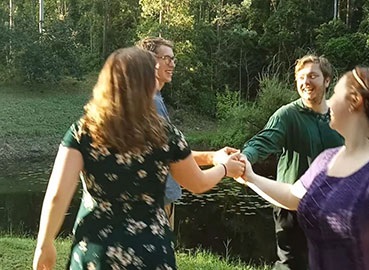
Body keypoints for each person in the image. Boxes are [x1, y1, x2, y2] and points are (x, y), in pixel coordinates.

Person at [32, 47, 245, 270]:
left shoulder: (83, 131)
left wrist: (44, 244)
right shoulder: (166, 134)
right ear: (148, 84)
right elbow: (198, 183)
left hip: (95, 251)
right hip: (151, 251)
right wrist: (224, 168)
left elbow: (57, 195)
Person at [236, 66, 369, 270]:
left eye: (335, 94)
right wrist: (249, 176)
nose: (329, 102)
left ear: (355, 101)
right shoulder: (327, 159)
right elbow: (292, 197)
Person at [241, 55, 344, 269]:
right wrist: (244, 159)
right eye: (301, 77)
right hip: (291, 204)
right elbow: (263, 141)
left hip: (333, 206)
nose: (306, 82)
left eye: (313, 76)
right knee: (291, 264)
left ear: (327, 80)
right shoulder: (287, 115)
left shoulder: (340, 116)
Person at [136, 36, 238, 230]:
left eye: (173, 59)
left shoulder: (150, 97)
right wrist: (225, 168)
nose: (172, 64)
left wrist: (213, 156)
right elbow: (196, 182)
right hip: (155, 206)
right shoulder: (151, 101)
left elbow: (170, 155)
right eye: (166, 58)